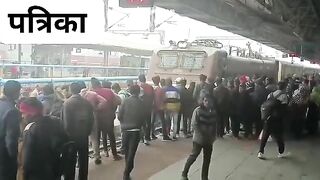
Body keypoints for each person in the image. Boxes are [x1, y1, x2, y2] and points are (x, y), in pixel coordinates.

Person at [19, 97, 67, 180]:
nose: (22, 116)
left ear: (31, 112)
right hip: (55, 169)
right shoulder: (56, 122)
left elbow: (27, 158)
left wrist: (24, 175)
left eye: (23, 113)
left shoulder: (31, 128)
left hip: (37, 174)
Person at [62, 82, 94, 180]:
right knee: (84, 160)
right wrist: (87, 132)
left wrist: (66, 136)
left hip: (70, 138)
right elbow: (91, 120)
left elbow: (65, 122)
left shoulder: (67, 103)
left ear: (71, 90)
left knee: (70, 161)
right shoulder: (86, 103)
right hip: (83, 136)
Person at [181, 94, 217, 180]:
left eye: (209, 101)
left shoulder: (213, 112)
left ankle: (204, 177)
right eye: (205, 101)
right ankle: (184, 173)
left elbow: (214, 125)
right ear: (203, 101)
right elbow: (194, 124)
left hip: (209, 139)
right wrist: (201, 134)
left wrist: (213, 136)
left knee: (207, 159)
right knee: (193, 156)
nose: (207, 103)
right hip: (199, 139)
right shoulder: (198, 111)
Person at [118, 85, 144, 180]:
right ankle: (126, 172)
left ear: (130, 91)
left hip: (125, 130)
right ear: (138, 92)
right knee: (131, 153)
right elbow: (143, 117)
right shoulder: (141, 103)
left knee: (127, 152)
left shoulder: (125, 101)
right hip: (136, 130)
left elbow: (119, 115)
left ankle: (127, 170)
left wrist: (123, 123)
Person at [79, 81, 108, 165]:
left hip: (81, 119)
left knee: (83, 138)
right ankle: (96, 156)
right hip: (92, 116)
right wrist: (96, 108)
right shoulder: (92, 94)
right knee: (94, 138)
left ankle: (82, 158)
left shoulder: (78, 96)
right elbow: (104, 101)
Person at [258, 81, 289, 159]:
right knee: (279, 136)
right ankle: (281, 152)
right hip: (277, 119)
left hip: (268, 118)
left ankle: (260, 152)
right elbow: (284, 109)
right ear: (284, 87)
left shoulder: (270, 94)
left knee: (265, 135)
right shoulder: (284, 96)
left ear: (277, 86)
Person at [0, 80, 21, 180]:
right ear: (16, 93)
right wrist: (16, 158)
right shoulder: (12, 111)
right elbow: (11, 140)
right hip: (4, 157)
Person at [153, 76, 171, 141]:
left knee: (152, 121)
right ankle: (165, 135)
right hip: (160, 107)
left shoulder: (152, 89)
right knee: (163, 121)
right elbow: (164, 99)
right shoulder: (161, 90)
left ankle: (151, 134)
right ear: (159, 81)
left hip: (153, 107)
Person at [138, 74, 155, 144]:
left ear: (139, 79)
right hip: (148, 108)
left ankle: (141, 138)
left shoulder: (139, 87)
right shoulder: (150, 87)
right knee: (148, 123)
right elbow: (153, 97)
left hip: (140, 108)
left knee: (140, 123)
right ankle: (147, 138)